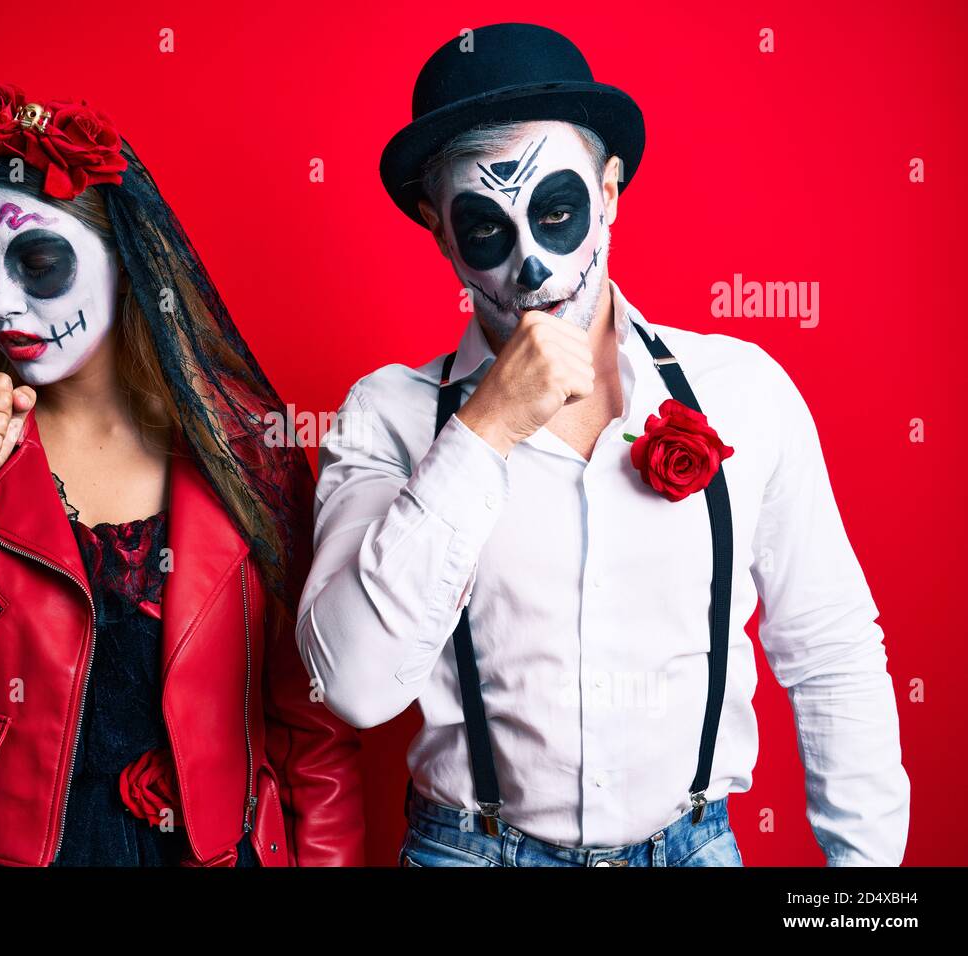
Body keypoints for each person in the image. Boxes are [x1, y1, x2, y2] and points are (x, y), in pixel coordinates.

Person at [297, 23, 908, 866]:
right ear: (441, 237)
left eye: (556, 212)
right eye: (485, 228)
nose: (534, 269)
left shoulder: (743, 388)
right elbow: (355, 688)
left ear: (610, 194)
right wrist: (484, 431)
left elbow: (831, 646)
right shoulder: (387, 415)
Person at [0, 82, 364, 867]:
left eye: (38, 262)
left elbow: (314, 732)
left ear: (127, 264)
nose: (2, 302)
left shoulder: (250, 451)